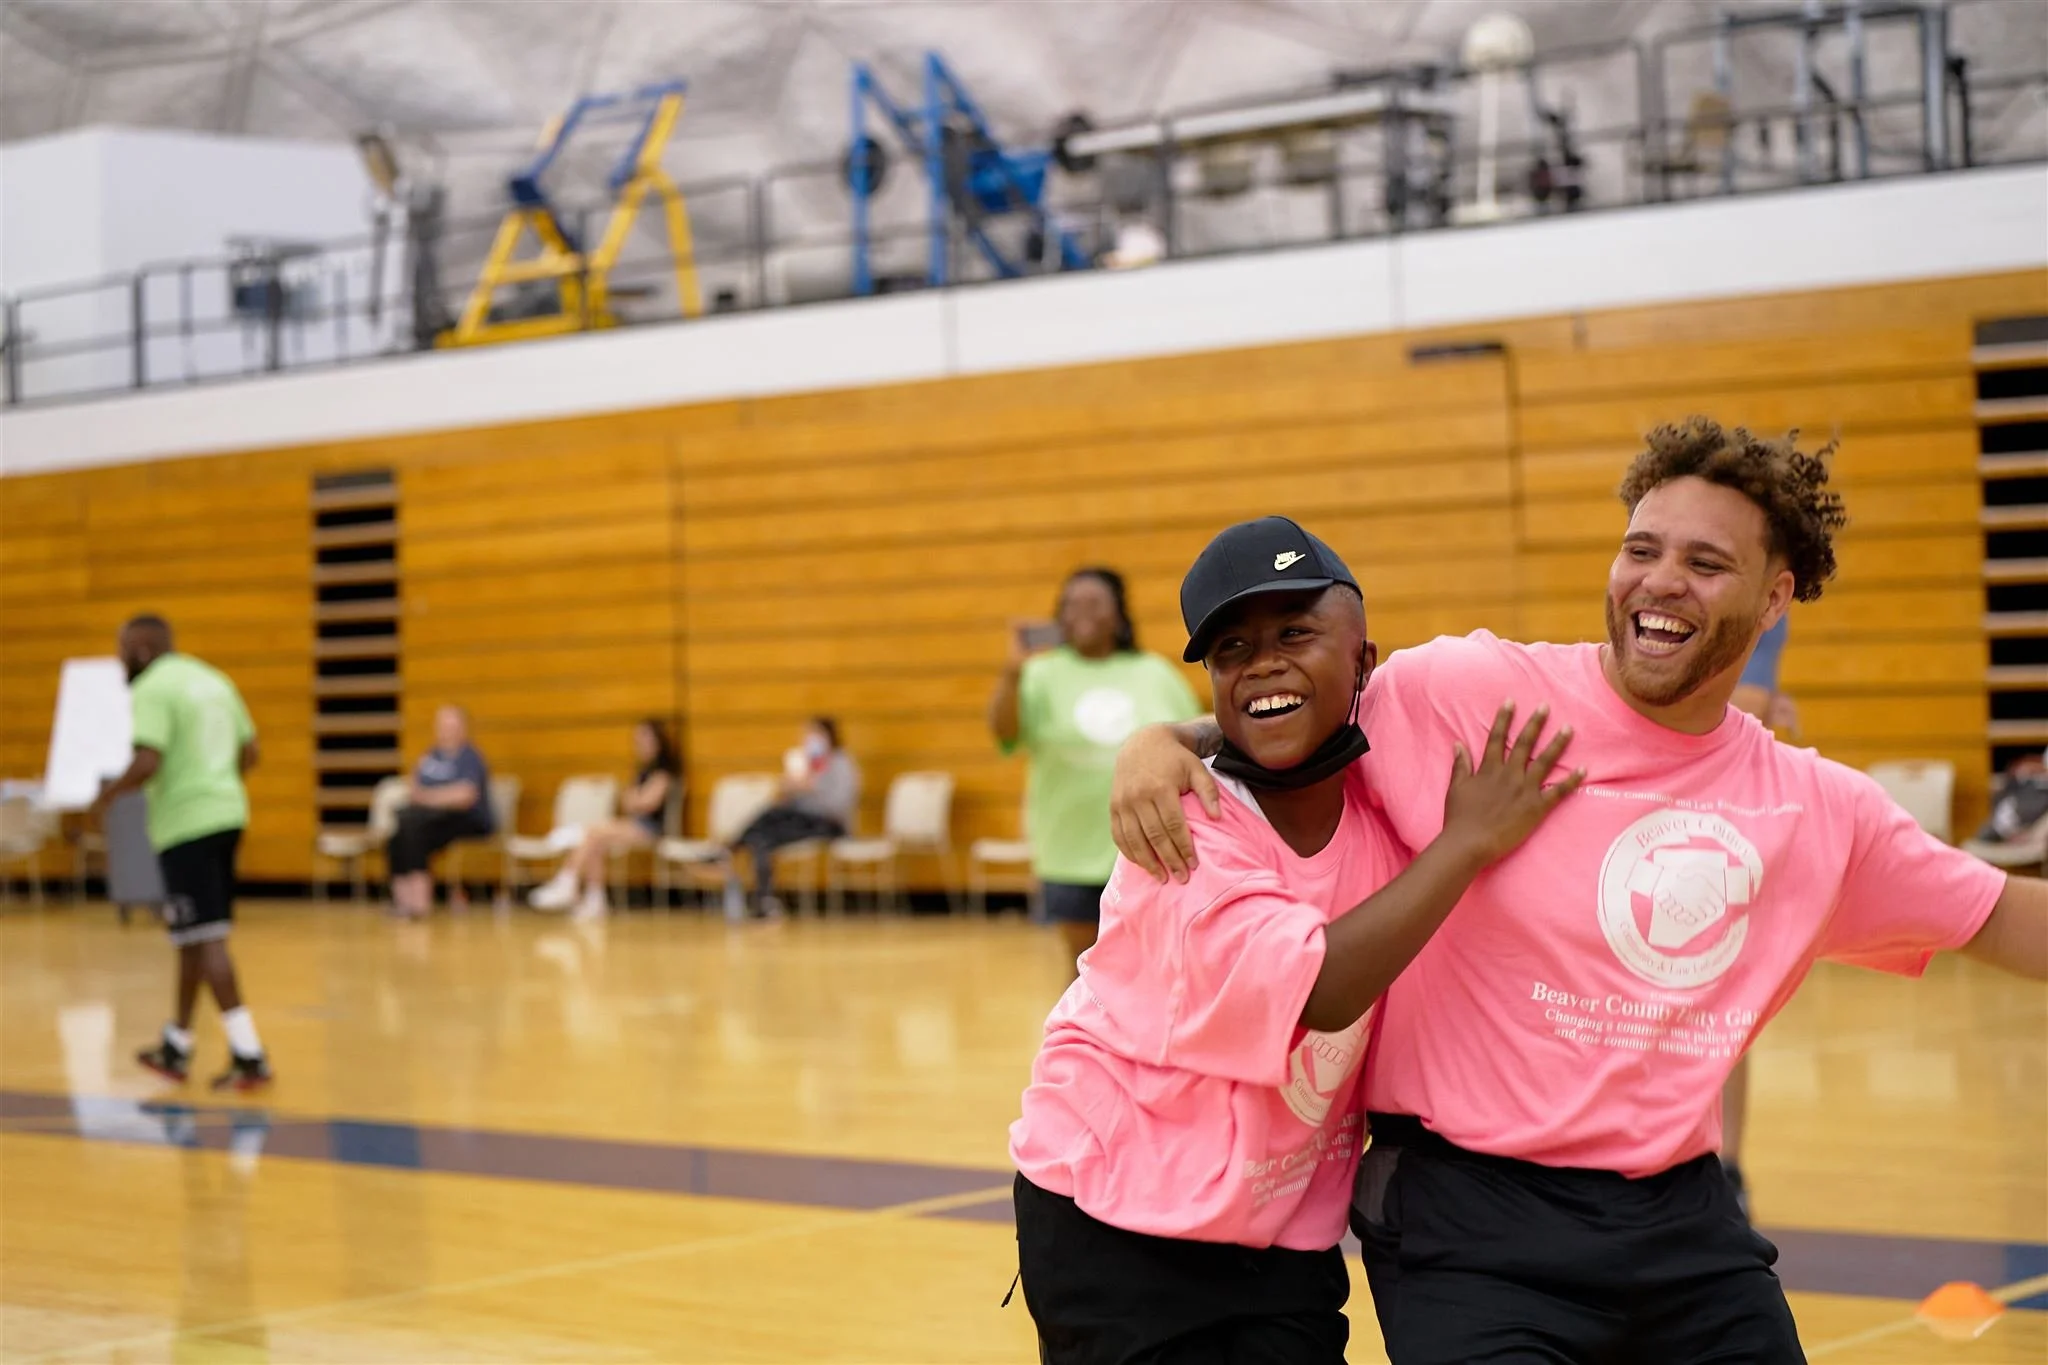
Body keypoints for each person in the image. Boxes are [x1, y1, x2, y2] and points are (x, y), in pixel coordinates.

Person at [1110, 418, 2048, 1364]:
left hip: (1683, 1224)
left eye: (1706, 562)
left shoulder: (1819, 810)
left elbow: (2006, 917)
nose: (1661, 579)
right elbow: (1290, 704)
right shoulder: (1468, 695)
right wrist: (1164, 741)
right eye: (1642, 548)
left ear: (1775, 600)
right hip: (1468, 1220)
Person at [1010, 518, 1581, 1364]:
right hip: (1115, 1214)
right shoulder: (1183, 825)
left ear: (1364, 659)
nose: (1265, 662)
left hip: (1279, 1232)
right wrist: (1468, 842)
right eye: (1233, 648)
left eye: (1296, 632)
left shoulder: (1385, 810)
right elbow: (1320, 989)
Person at [91, 614, 274, 1091]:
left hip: (187, 826)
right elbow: (250, 751)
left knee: (208, 938)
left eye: (123, 649)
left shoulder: (152, 687)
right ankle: (177, 1045)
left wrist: (107, 796)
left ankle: (249, 1055)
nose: (120, 659)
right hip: (229, 816)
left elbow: (148, 760)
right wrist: (217, 782)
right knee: (193, 935)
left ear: (144, 650)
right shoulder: (213, 679)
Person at [988, 567, 1202, 973]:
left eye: (1093, 604)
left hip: (1151, 847)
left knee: (1152, 968)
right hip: (1070, 854)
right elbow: (1005, 734)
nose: (1080, 613)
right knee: (1086, 971)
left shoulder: (1155, 673)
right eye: (1070, 605)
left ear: (1118, 616)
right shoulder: (1040, 674)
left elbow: (1194, 744)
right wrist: (1013, 671)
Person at [1721, 611, 1797, 1213]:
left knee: (1721, 1013)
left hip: (1724, 836)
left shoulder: (1762, 611)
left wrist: (1762, 709)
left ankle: (1727, 1169)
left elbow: (1744, 702)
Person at [529, 719, 679, 920]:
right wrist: (636, 799)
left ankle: (567, 879)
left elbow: (648, 802)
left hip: (651, 829)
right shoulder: (643, 771)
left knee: (592, 833)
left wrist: (636, 799)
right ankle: (595, 900)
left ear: (657, 741)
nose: (639, 743)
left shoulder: (664, 771)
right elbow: (628, 801)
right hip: (635, 824)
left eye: (644, 738)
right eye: (637, 739)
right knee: (594, 840)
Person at [727, 717, 859, 917]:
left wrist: (813, 788)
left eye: (815, 733)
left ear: (829, 736)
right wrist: (788, 789)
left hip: (828, 824)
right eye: (807, 734)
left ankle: (729, 849)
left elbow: (839, 807)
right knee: (762, 836)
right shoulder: (804, 763)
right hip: (802, 820)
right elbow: (789, 806)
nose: (810, 739)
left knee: (768, 820)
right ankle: (764, 901)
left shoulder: (842, 764)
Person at [387, 705, 494, 920]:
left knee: (414, 829)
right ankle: (403, 901)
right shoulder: (430, 756)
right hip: (432, 818)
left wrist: (430, 798)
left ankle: (420, 904)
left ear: (462, 728)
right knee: (399, 833)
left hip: (468, 819)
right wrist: (432, 797)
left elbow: (465, 796)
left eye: (452, 725)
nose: (447, 730)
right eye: (443, 725)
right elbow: (414, 788)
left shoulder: (469, 757)